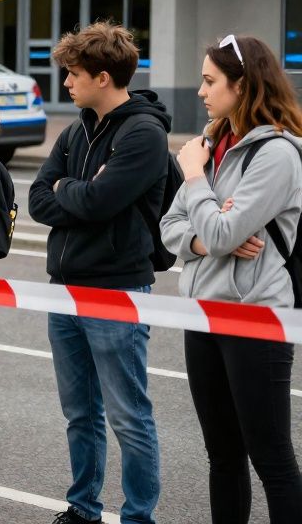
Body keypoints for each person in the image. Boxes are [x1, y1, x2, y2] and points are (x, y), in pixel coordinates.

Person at [27, 23, 167, 524]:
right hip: (64, 290)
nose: (66, 82)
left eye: (73, 74)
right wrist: (77, 192)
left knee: (129, 416)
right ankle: (83, 508)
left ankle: (138, 517)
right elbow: (37, 199)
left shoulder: (144, 133)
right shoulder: (75, 130)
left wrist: (70, 190)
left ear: (102, 77)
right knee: (80, 413)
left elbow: (100, 202)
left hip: (116, 290)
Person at [160, 34, 302, 524]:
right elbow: (171, 227)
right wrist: (206, 240)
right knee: (222, 456)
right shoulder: (212, 144)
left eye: (209, 81)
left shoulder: (276, 154)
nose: (200, 91)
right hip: (203, 313)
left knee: (272, 459)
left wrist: (195, 179)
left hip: (254, 318)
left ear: (242, 85)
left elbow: (224, 230)